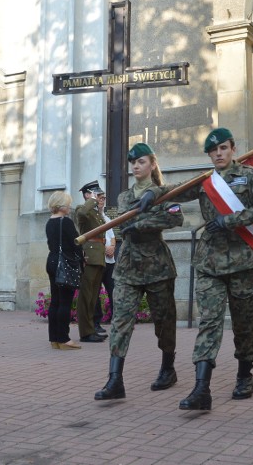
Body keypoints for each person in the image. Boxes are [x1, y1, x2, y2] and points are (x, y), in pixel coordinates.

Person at [157, 128, 253, 411]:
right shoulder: (204, 181)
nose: (219, 154)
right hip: (209, 262)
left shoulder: (250, 176)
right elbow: (174, 191)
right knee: (209, 322)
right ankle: (202, 388)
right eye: (213, 151)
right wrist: (154, 195)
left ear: (232, 148)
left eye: (223, 148)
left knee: (243, 323)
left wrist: (230, 220)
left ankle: (245, 374)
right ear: (209, 154)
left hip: (241, 262)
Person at [95, 143, 184, 401]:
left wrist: (143, 222)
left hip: (157, 266)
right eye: (132, 162)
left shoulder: (165, 193)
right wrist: (133, 225)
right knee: (121, 322)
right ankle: (115, 380)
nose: (135, 166)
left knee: (164, 322)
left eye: (141, 161)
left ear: (152, 164)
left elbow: (176, 218)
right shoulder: (124, 196)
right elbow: (124, 223)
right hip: (128, 266)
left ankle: (168, 368)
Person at [45, 191, 83, 350]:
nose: (70, 207)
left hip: (52, 261)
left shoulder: (49, 222)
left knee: (55, 301)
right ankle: (64, 338)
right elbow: (76, 243)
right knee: (65, 302)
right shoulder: (65, 222)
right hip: (64, 263)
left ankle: (54, 338)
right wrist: (81, 259)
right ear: (61, 206)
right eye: (68, 204)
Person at [75, 181, 108, 343]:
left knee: (93, 297)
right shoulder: (83, 210)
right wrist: (93, 201)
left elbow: (103, 230)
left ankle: (91, 328)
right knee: (86, 297)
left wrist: (100, 210)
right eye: (96, 194)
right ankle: (85, 332)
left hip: (98, 257)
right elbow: (81, 214)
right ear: (87, 195)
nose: (99, 197)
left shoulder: (94, 213)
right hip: (89, 256)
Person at [93, 207, 116, 336]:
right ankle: (96, 323)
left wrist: (112, 247)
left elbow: (112, 237)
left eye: (103, 199)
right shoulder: (90, 217)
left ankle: (116, 320)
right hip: (98, 259)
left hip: (110, 260)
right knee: (95, 292)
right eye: (100, 199)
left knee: (113, 290)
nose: (102, 202)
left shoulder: (106, 218)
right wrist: (104, 247)